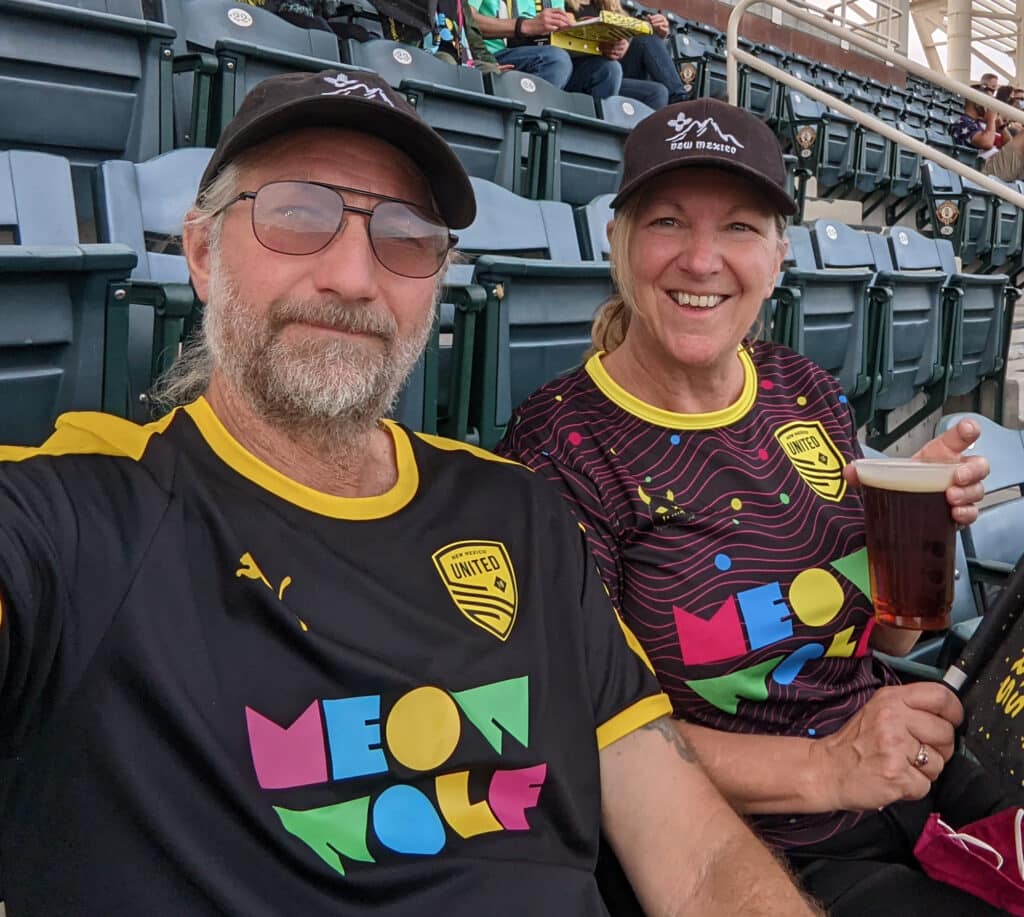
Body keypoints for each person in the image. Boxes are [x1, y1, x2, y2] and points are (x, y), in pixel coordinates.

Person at [0, 72, 820, 915]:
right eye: (296, 214)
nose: (354, 276)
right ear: (204, 254)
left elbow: (697, 857)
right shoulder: (88, 518)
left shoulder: (525, 515)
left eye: (405, 235)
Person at [497, 97, 1009, 916]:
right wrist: (834, 763)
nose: (702, 260)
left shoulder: (801, 387)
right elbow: (591, 736)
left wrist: (914, 532)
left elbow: (894, 633)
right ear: (618, 242)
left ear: (778, 254)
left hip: (908, 759)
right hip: (750, 839)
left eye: (739, 227)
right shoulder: (560, 444)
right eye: (667, 221)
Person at [468, 0, 622, 100]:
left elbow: (554, 37)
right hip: (490, 58)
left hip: (543, 60)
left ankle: (583, 146)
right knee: (556, 60)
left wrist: (591, 36)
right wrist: (525, 26)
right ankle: (524, 136)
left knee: (607, 69)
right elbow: (463, 17)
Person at [566, 0, 687, 109]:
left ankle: (681, 105)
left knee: (647, 38)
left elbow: (626, 42)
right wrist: (598, 47)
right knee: (656, 92)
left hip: (614, 72)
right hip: (584, 75)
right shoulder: (560, 4)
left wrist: (653, 29)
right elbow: (554, 48)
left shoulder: (608, 5)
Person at [951, 82, 1024, 181]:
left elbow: (1008, 144)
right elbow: (987, 143)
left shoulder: (980, 123)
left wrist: (1001, 127)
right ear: (978, 104)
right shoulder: (962, 123)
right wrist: (991, 119)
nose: (992, 108)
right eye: (989, 103)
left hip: (997, 167)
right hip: (985, 172)